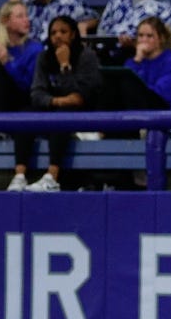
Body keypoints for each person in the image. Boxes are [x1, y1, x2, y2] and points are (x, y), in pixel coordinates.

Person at [9, 16, 102, 192]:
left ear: (73, 34)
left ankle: (52, 176)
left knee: (61, 116)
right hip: (51, 108)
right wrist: (56, 101)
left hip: (81, 113)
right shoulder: (44, 57)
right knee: (24, 115)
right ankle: (19, 176)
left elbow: (84, 95)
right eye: (53, 33)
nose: (57, 36)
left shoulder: (87, 56)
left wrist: (65, 66)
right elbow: (36, 92)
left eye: (63, 32)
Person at [126, 17, 171, 109]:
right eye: (140, 35)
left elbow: (159, 95)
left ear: (161, 38)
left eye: (149, 36)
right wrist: (137, 60)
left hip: (166, 115)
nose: (144, 40)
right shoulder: (133, 62)